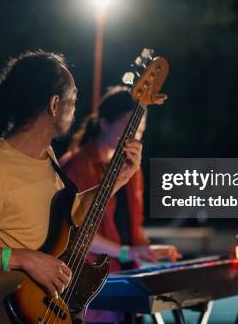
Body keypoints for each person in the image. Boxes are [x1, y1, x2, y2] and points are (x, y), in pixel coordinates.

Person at [0, 52, 143, 323]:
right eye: (73, 99)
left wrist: (118, 179)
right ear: (55, 104)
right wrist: (25, 259)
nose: (75, 108)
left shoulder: (47, 156)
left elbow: (71, 215)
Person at [60, 86, 181, 323]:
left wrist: (145, 249)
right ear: (104, 123)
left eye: (141, 128)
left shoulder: (132, 170)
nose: (136, 135)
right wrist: (128, 251)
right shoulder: (76, 165)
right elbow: (74, 231)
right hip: (92, 283)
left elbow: (128, 225)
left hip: (127, 275)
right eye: (130, 126)